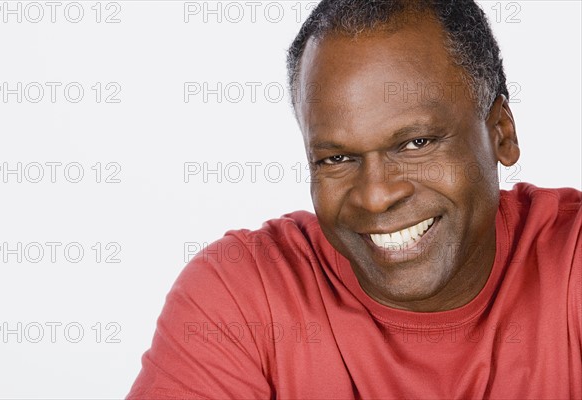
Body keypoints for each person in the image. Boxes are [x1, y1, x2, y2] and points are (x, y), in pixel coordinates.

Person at [127, 0, 581, 398]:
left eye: (417, 143)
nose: (377, 196)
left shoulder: (571, 262)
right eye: (337, 158)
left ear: (501, 133)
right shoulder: (240, 295)